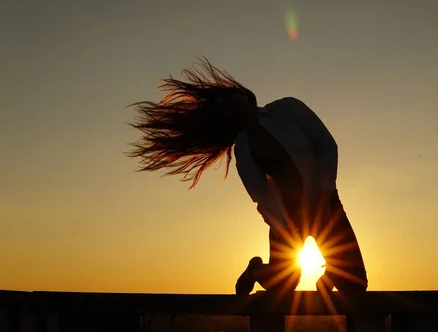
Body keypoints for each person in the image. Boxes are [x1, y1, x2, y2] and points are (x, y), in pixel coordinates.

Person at [128, 58, 368, 295]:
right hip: (288, 215)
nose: (227, 103)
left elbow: (326, 145)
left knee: (357, 285)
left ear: (244, 95)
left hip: (324, 200)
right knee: (283, 287)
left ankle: (331, 273)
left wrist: (323, 197)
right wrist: (283, 229)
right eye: (221, 106)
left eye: (228, 96)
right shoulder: (243, 149)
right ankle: (256, 270)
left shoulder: (288, 108)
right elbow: (262, 197)